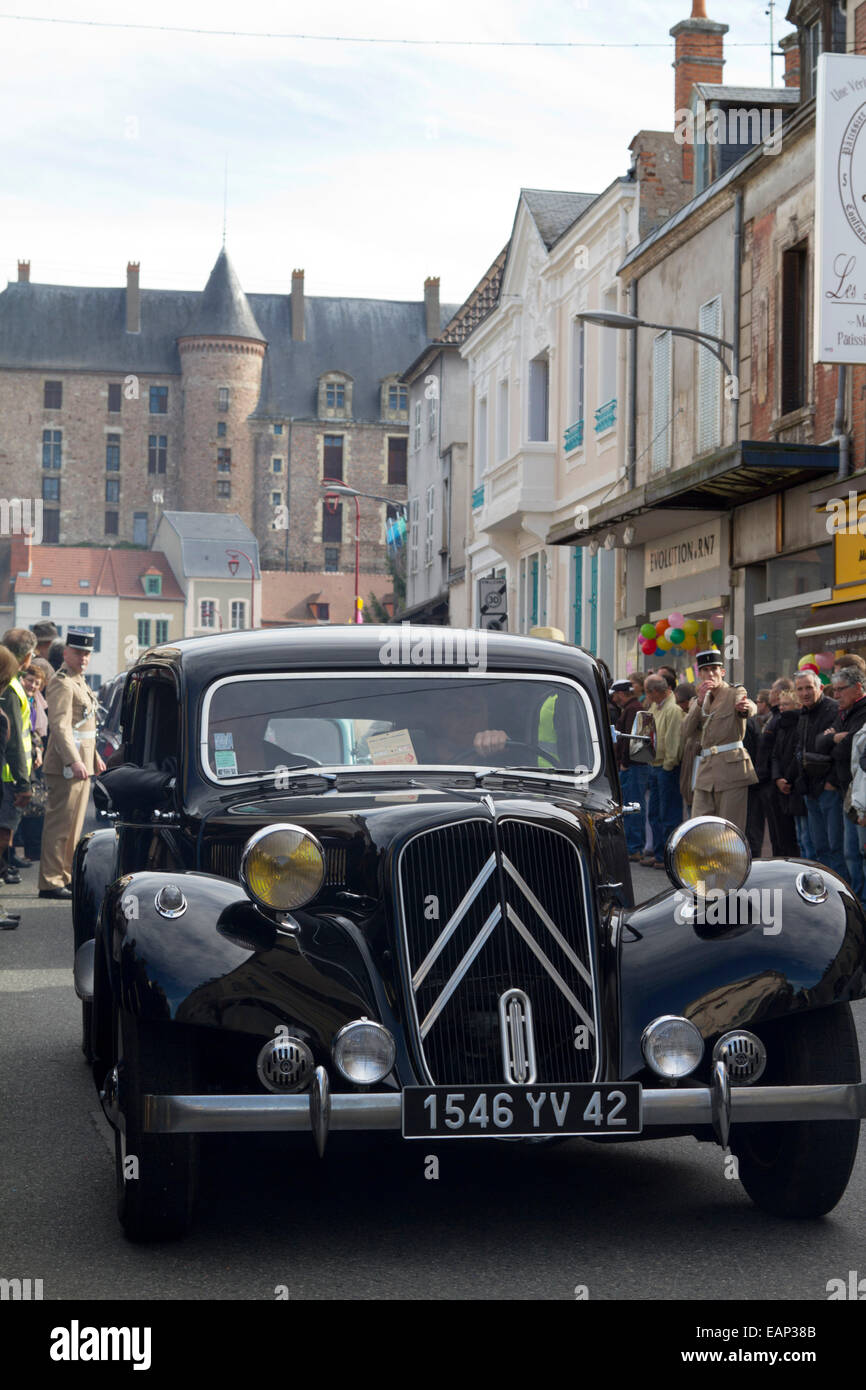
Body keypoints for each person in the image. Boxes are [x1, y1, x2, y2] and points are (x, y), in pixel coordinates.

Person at [38, 630, 105, 899]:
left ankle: (64, 875)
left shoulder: (79, 681)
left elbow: (85, 726)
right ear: (65, 652)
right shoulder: (63, 682)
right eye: (78, 652)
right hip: (67, 765)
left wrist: (94, 756)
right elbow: (61, 727)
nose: (83, 658)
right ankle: (51, 880)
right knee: (60, 826)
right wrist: (75, 760)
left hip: (81, 763)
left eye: (87, 653)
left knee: (74, 827)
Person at [681, 649, 756, 831]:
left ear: (722, 672)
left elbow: (749, 706)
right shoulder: (698, 701)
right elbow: (685, 731)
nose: (711, 674)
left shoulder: (734, 691)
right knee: (700, 826)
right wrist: (698, 702)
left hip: (732, 770)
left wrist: (745, 708)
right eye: (706, 670)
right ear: (700, 674)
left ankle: (731, 860)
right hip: (706, 771)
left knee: (730, 828)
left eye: (715, 669)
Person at [814, 666, 866, 899]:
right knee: (850, 853)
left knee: (860, 852)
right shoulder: (844, 711)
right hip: (848, 793)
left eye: (840, 690)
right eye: (833, 690)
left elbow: (846, 749)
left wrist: (832, 740)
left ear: (857, 688)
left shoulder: (863, 711)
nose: (835, 696)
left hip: (861, 794)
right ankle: (857, 900)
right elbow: (820, 743)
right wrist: (833, 738)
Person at [793, 669, 843, 876]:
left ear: (820, 687)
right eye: (800, 689)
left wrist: (832, 781)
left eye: (809, 688)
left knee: (836, 848)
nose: (805, 693)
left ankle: (843, 896)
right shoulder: (803, 712)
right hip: (810, 788)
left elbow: (839, 750)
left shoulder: (833, 709)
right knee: (818, 846)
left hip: (828, 788)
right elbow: (801, 746)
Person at [0, 628, 37, 884]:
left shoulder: (11, 684)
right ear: (26, 656)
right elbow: (13, 742)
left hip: (9, 773)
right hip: (9, 776)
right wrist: (24, 783)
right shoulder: (12, 687)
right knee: (3, 838)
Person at [643, 673, 683, 868]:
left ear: (655, 692)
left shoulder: (672, 710)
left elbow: (674, 740)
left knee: (669, 814)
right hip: (655, 765)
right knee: (655, 813)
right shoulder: (655, 707)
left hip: (666, 768)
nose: (646, 696)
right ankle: (659, 854)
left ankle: (669, 857)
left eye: (647, 692)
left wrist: (668, 764)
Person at [771, 688, 812, 857]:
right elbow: (774, 755)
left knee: (805, 838)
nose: (781, 708)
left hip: (796, 786)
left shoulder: (800, 723)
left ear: (797, 704)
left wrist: (786, 779)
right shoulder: (781, 725)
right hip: (783, 786)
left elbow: (798, 755)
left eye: (785, 704)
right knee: (795, 836)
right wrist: (777, 778)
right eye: (780, 704)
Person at [610, 678, 645, 861]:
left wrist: (624, 761)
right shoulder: (633, 708)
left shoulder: (632, 709)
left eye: (615, 695)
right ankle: (634, 846)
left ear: (622, 693)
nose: (614, 699)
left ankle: (634, 847)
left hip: (631, 766)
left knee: (633, 806)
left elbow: (630, 738)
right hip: (632, 765)